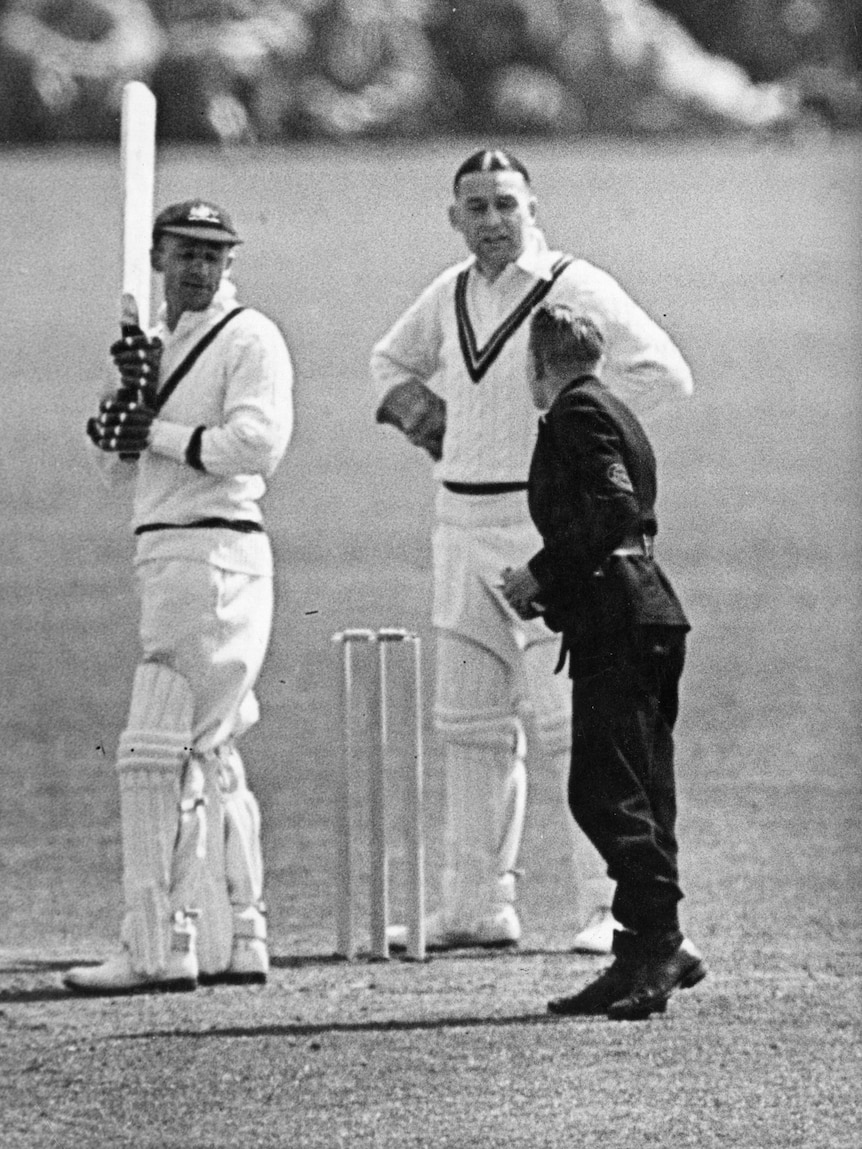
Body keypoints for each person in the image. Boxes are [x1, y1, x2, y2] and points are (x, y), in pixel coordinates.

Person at [371, 147, 693, 953]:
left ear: (533, 208)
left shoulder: (572, 285)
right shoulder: (449, 293)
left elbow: (664, 372)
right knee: (469, 722)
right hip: (459, 522)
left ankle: (604, 910)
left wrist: (579, 438)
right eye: (474, 208)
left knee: (569, 723)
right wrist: (424, 415)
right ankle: (477, 905)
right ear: (454, 218)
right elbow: (389, 360)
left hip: (543, 528)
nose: (491, 221)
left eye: (505, 205)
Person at [64, 200, 294, 994]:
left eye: (213, 254)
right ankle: (237, 934)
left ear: (230, 263)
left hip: (215, 546)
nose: (199, 266)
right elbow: (112, 467)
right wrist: (125, 403)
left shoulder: (248, 336)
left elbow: (257, 443)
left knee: (156, 744)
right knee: (208, 744)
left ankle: (157, 945)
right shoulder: (145, 349)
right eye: (185, 252)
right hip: (168, 548)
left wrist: (156, 427)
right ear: (157, 256)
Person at [501, 305, 706, 1018]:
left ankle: (658, 943)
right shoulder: (612, 407)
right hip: (640, 607)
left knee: (604, 789)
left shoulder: (575, 415)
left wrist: (541, 573)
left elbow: (615, 508)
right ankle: (640, 949)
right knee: (640, 789)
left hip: (620, 617)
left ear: (539, 363)